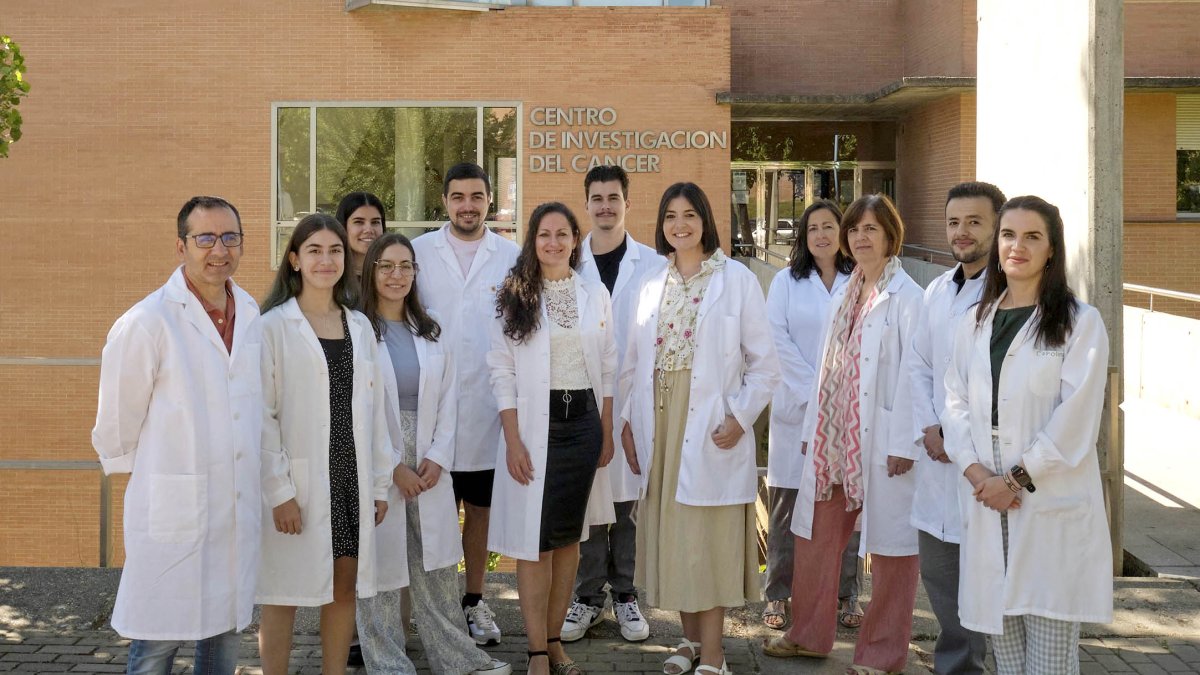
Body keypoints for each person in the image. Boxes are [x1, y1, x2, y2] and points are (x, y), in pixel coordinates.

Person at [92, 196, 261, 675]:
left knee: (223, 637)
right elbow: (116, 422)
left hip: (232, 507)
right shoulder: (148, 321)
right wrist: (152, 479)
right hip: (171, 505)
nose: (218, 249)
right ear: (180, 246)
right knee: (157, 645)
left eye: (230, 237)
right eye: (204, 238)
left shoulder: (250, 314)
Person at [943, 195, 1112, 674]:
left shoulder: (1080, 322)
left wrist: (1013, 480)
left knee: (1051, 657)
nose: (1017, 246)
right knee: (1009, 654)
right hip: (985, 492)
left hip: (1042, 491)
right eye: (1008, 234)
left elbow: (1075, 421)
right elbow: (952, 402)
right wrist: (978, 473)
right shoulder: (973, 321)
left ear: (1052, 249)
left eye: (1032, 236)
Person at [620, 182, 780, 675]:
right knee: (674, 539)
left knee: (704, 542)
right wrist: (627, 423)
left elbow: (766, 366)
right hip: (660, 422)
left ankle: (715, 654)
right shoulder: (652, 282)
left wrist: (739, 418)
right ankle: (689, 643)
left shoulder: (735, 280)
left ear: (706, 220)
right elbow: (632, 364)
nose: (680, 225)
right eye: (671, 216)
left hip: (712, 424)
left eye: (690, 214)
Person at [763, 194, 923, 675]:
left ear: (891, 234)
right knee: (815, 538)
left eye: (871, 229)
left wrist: (903, 441)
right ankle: (809, 634)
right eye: (855, 230)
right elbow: (827, 371)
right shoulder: (848, 291)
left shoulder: (907, 297)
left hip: (883, 441)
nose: (860, 237)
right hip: (834, 438)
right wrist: (815, 426)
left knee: (893, 553)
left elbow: (917, 374)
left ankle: (881, 654)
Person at [356, 233, 513, 675]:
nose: (396, 275)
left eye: (405, 265)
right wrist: (392, 466)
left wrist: (440, 456)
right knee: (382, 567)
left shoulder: (432, 327)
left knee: (438, 565)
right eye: (386, 265)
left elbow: (450, 400)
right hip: (379, 456)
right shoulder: (356, 328)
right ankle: (388, 663)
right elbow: (355, 409)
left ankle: (459, 659)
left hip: (430, 458)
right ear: (371, 271)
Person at [256, 214, 393, 675]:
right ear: (294, 259)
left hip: (349, 477)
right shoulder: (272, 327)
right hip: (297, 482)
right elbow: (262, 416)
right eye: (313, 250)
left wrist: (378, 485)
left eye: (335, 250)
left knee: (344, 587)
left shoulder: (358, 326)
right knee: (282, 592)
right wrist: (279, 492)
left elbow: (373, 416)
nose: (326, 259)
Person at [487, 202, 618, 675]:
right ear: (533, 240)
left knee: (567, 542)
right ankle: (536, 653)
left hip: (581, 426)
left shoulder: (593, 293)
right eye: (545, 234)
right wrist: (513, 439)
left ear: (575, 240)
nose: (554, 243)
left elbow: (607, 365)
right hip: (535, 430)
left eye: (563, 234)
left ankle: (556, 641)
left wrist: (604, 428)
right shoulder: (513, 293)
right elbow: (500, 369)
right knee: (534, 542)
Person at [897, 181, 1005, 674]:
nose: (962, 233)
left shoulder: (1010, 295)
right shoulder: (938, 290)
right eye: (955, 222)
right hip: (937, 460)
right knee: (942, 585)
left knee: (987, 589)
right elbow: (918, 364)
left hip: (982, 467)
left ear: (997, 227)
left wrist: (955, 439)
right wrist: (929, 427)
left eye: (975, 222)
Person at [412, 162, 521, 644]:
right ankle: (430, 609)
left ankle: (474, 603)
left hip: (486, 410)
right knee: (431, 514)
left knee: (478, 511)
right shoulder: (416, 254)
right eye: (459, 197)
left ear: (490, 200)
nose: (468, 206)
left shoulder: (513, 257)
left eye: (477, 196)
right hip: (430, 410)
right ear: (445, 201)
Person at [562, 165, 663, 644]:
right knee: (585, 501)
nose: (605, 206)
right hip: (580, 402)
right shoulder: (567, 262)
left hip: (631, 401)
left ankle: (624, 594)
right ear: (586, 204)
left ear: (628, 203)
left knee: (626, 503)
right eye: (597, 198)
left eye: (613, 198)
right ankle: (586, 598)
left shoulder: (652, 266)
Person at [762, 199, 858, 632]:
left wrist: (835, 397)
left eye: (829, 226)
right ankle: (778, 595)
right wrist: (816, 392)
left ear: (844, 232)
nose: (821, 234)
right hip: (797, 407)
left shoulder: (860, 280)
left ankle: (845, 594)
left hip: (847, 412)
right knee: (786, 506)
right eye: (812, 227)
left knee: (843, 503)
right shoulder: (785, 281)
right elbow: (775, 339)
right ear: (802, 236)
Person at [336, 191, 387, 280]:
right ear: (343, 226)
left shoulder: (392, 274)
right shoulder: (331, 275)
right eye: (359, 222)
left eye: (375, 222)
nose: (369, 230)